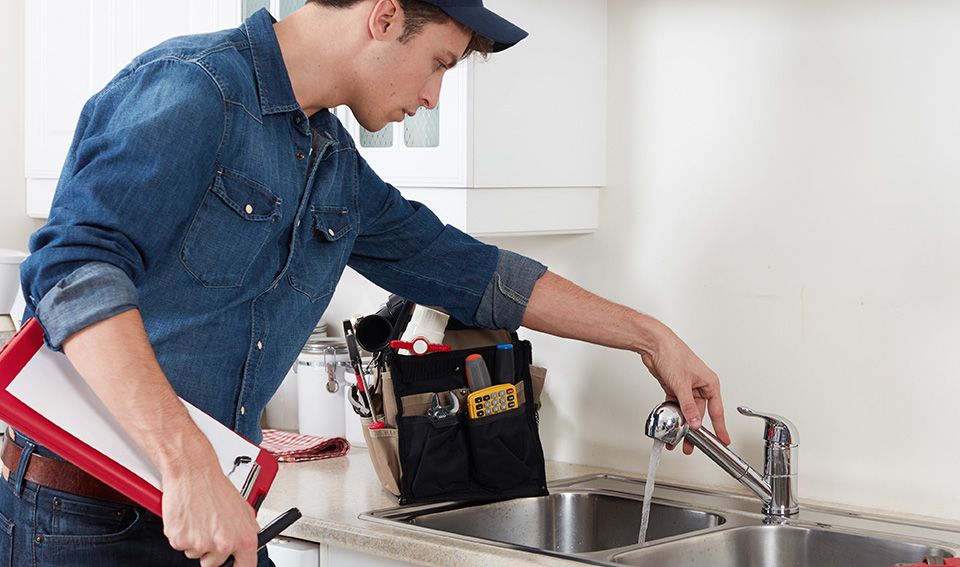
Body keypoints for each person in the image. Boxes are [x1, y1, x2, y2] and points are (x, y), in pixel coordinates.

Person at [2, 1, 730, 566]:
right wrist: (187, 463)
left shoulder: (329, 161)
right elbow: (72, 271)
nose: (434, 95)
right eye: (438, 62)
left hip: (208, 509)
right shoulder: (195, 91)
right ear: (383, 16)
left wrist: (650, 336)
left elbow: (469, 271)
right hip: (88, 521)